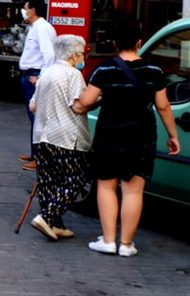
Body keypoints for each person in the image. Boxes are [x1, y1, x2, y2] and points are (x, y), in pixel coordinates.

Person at [73, 18, 181, 258]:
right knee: (133, 191)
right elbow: (163, 106)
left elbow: (87, 101)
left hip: (110, 134)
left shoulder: (104, 69)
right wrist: (173, 136)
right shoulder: (154, 71)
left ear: (114, 43)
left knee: (106, 185)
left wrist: (75, 105)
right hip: (142, 135)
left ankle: (109, 241)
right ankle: (127, 244)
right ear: (139, 42)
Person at [27, 34, 91, 241]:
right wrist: (98, 98)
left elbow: (33, 106)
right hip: (65, 136)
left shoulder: (46, 73)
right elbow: (78, 106)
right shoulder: (73, 75)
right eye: (82, 55)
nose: (82, 60)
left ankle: (55, 225)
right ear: (74, 55)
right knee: (76, 177)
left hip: (41, 135)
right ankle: (47, 217)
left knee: (47, 181)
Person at [18, 0, 57, 169]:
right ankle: (35, 154)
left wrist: (41, 78)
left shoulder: (42, 28)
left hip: (34, 77)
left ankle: (40, 158)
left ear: (33, 10)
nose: (23, 11)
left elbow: (48, 55)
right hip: (30, 75)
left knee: (37, 118)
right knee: (33, 117)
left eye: (25, 8)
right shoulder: (35, 27)